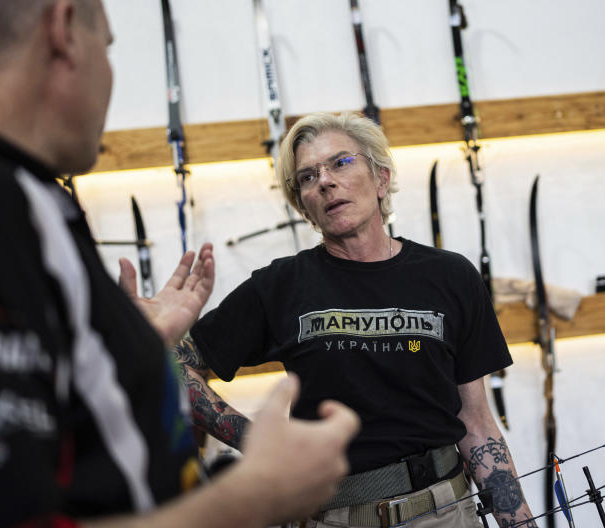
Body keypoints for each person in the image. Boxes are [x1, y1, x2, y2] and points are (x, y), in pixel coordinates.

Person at [0, 0, 359, 527]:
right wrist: (253, 495)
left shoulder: (6, 192)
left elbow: (48, 429)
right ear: (62, 31)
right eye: (107, 46)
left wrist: (128, 347)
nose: (108, 74)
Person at [178, 112, 535, 527]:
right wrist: (253, 438)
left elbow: (476, 423)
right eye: (308, 177)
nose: (325, 181)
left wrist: (520, 521)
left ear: (381, 178)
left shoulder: (450, 276)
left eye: (341, 163)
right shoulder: (280, 285)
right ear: (305, 208)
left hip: (446, 512)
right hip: (337, 517)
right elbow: (171, 365)